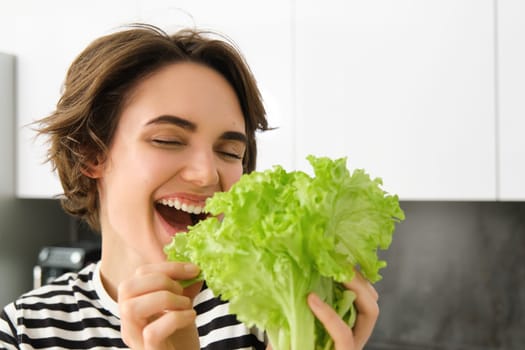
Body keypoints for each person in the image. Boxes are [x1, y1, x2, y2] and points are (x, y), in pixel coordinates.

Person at [0, 24, 379, 350]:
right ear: (91, 155)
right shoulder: (25, 331)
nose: (206, 174)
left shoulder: (277, 314)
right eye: (168, 140)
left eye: (230, 151)